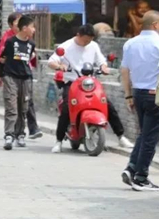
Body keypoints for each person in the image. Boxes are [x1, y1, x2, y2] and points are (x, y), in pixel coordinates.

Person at [48, 24, 134, 153]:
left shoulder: (93, 46)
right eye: (85, 40)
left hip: (89, 82)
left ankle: (121, 136)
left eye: (89, 40)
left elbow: (101, 61)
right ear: (78, 35)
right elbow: (51, 61)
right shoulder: (66, 47)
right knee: (67, 107)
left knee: (107, 105)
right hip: (72, 82)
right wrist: (59, 66)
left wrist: (104, 67)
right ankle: (58, 141)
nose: (87, 43)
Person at [119, 11, 159, 191]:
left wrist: (128, 95)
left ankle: (132, 167)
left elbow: (125, 71)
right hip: (155, 93)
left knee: (144, 134)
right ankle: (141, 177)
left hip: (138, 93)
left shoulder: (130, 43)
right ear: (155, 24)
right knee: (150, 138)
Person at [0, 12, 42, 138]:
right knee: (11, 106)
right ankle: (9, 134)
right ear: (24, 27)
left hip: (26, 77)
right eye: (32, 27)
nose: (34, 30)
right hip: (10, 76)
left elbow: (30, 60)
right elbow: (1, 58)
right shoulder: (9, 41)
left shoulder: (31, 44)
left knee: (24, 107)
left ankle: (21, 133)